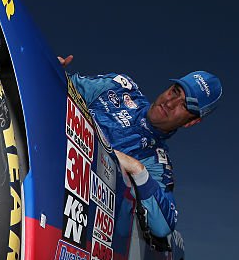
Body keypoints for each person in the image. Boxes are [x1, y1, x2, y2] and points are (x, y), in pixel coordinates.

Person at [58, 55, 222, 237]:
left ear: (191, 122)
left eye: (183, 105)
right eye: (175, 92)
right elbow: (63, 84)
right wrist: (53, 67)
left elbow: (163, 227)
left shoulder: (155, 161)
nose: (170, 103)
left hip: (67, 214)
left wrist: (138, 169)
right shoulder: (120, 87)